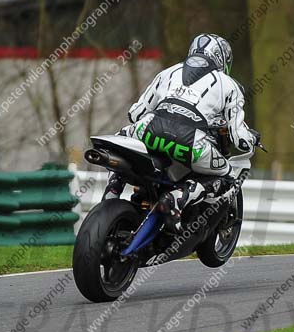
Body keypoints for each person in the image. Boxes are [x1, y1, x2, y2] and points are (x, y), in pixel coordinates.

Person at [103, 33, 257, 232]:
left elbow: (135, 114)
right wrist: (251, 138)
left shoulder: (168, 72)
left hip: (148, 129)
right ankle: (178, 198)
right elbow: (240, 139)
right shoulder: (230, 84)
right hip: (191, 142)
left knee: (120, 142)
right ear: (223, 60)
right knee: (228, 177)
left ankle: (112, 191)